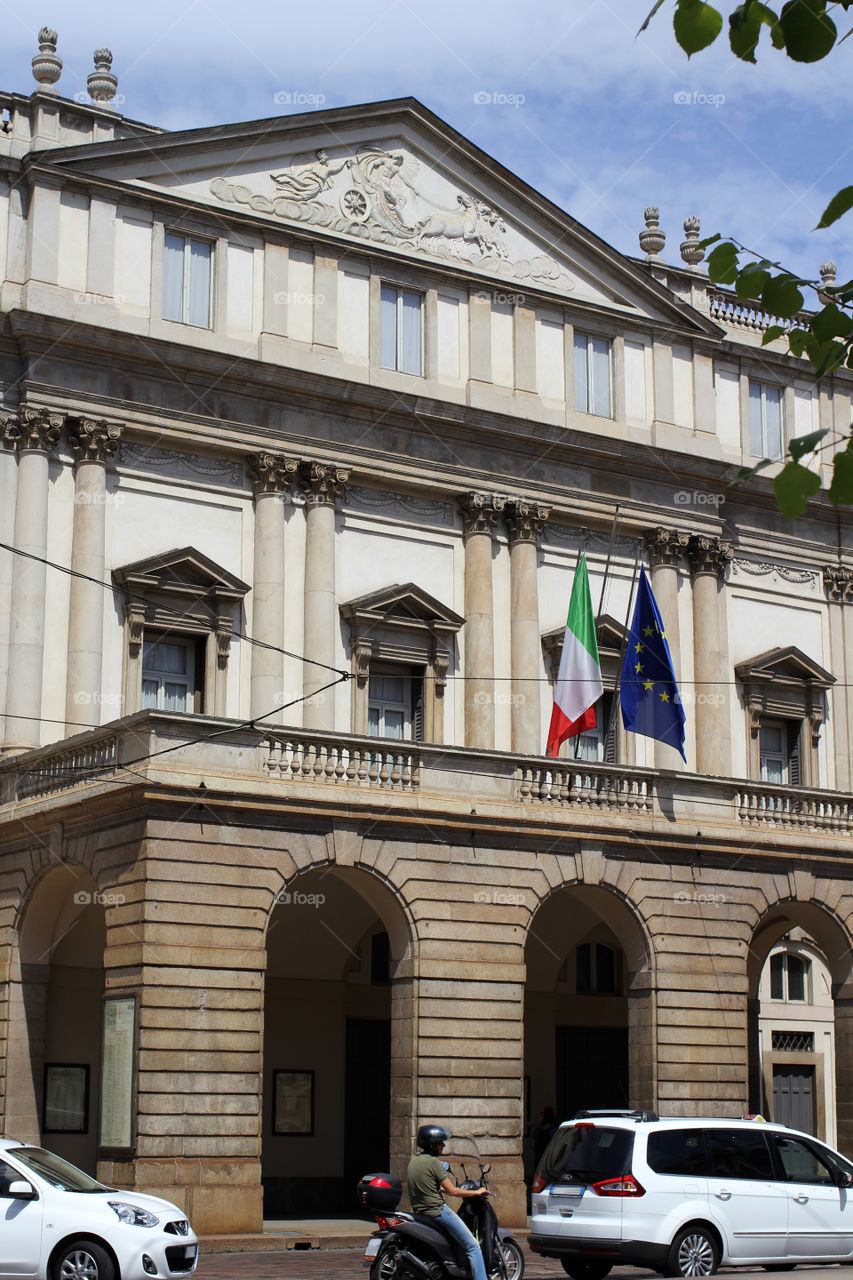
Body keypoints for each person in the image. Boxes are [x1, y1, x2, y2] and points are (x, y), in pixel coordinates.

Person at [407, 1124, 489, 1280]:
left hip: (420, 1213)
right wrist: (475, 1193)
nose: (443, 1145)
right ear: (432, 1145)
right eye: (440, 1143)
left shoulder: (414, 1162)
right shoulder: (434, 1163)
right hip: (438, 1212)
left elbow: (429, 1186)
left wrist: (444, 1189)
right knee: (473, 1246)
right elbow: (453, 1191)